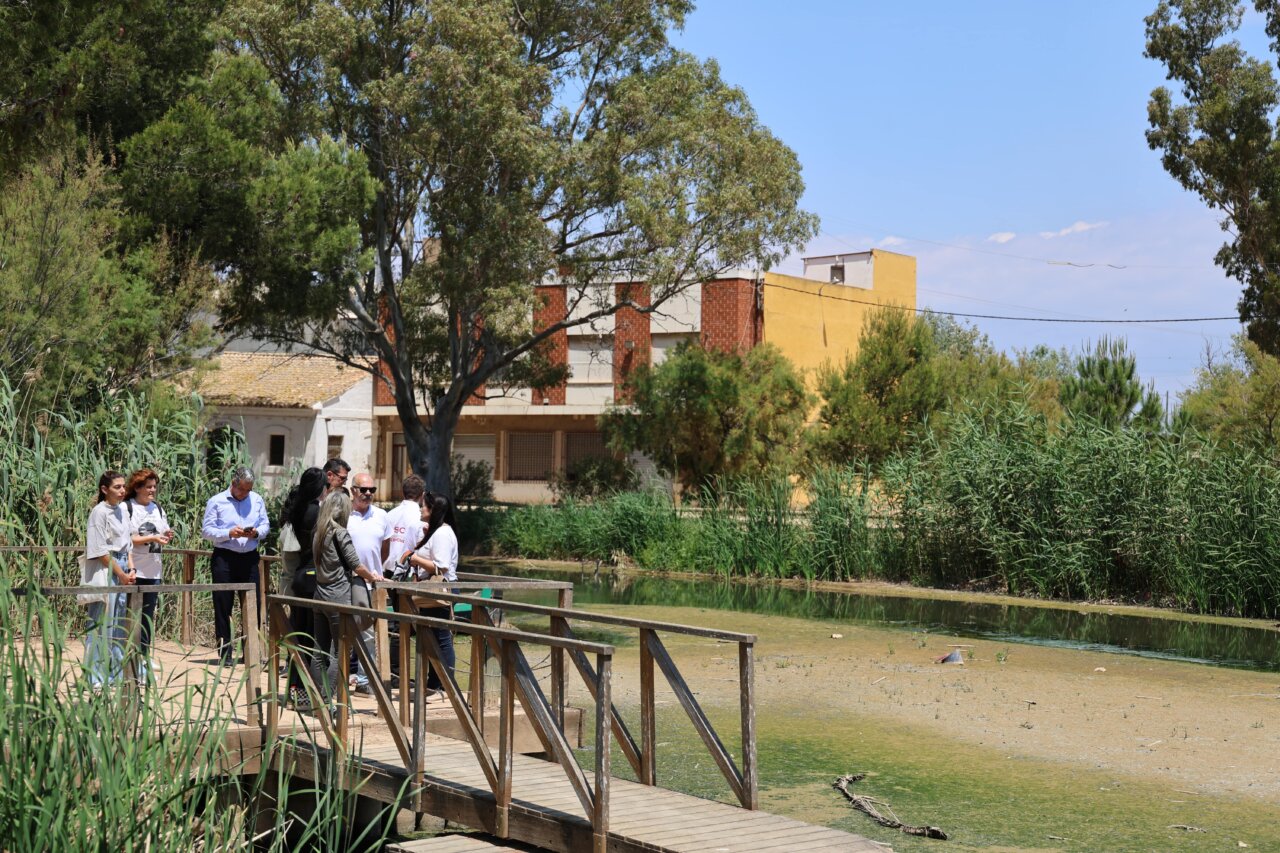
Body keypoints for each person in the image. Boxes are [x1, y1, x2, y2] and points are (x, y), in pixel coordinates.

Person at [311, 489, 379, 704]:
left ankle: (314, 699)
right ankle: (328, 699)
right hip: (338, 598)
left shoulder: (319, 532)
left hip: (319, 595)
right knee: (341, 651)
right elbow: (355, 564)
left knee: (319, 651)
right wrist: (374, 578)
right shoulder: (340, 532)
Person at [201, 467, 270, 666]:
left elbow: (266, 525)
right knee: (223, 606)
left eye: (248, 490)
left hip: (249, 558)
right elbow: (207, 531)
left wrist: (256, 533)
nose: (245, 494)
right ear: (233, 483)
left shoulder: (257, 500)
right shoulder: (216, 501)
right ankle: (225, 654)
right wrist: (228, 533)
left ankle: (251, 652)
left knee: (252, 606)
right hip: (225, 558)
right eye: (242, 490)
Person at [399, 493, 459, 702]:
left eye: (423, 507)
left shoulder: (442, 533)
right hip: (430, 591)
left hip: (439, 591)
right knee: (431, 638)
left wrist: (414, 558)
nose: (420, 510)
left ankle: (442, 686)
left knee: (441, 638)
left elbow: (441, 566)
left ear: (433, 510)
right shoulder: (435, 532)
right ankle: (433, 684)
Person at [84, 470, 135, 687]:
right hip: (108, 567)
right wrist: (121, 573)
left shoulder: (122, 509)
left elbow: (128, 541)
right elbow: (99, 549)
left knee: (117, 623)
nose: (122, 490)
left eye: (123, 486)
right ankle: (94, 675)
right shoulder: (99, 512)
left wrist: (131, 569)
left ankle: (114, 673)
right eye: (117, 487)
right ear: (105, 489)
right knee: (101, 622)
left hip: (123, 564)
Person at [280, 467, 325, 710]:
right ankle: (307, 694)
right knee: (312, 638)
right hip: (313, 579)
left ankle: (294, 690)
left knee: (298, 637)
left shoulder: (295, 510)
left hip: (299, 578)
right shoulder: (317, 512)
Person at [124, 468, 174, 682]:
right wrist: (151, 538)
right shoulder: (128, 508)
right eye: (149, 487)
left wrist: (166, 535)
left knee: (147, 616)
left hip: (154, 569)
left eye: (155, 486)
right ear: (137, 487)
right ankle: (128, 657)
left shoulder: (158, 508)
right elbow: (126, 538)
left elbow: (163, 531)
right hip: (134, 569)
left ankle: (143, 654)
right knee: (130, 616)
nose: (153, 490)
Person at [346, 473, 388, 693]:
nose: (369, 494)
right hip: (346, 581)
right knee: (342, 630)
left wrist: (375, 570)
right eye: (364, 490)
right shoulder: (344, 514)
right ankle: (339, 679)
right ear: (353, 490)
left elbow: (385, 547)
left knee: (369, 634)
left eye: (372, 490)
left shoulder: (381, 515)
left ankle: (364, 680)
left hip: (373, 583)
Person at [381, 474, 425, 684]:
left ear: (402, 492)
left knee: (398, 622)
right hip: (408, 574)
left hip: (389, 572)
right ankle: (399, 673)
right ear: (422, 495)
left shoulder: (391, 514)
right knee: (403, 624)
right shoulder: (420, 516)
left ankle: (397, 671)